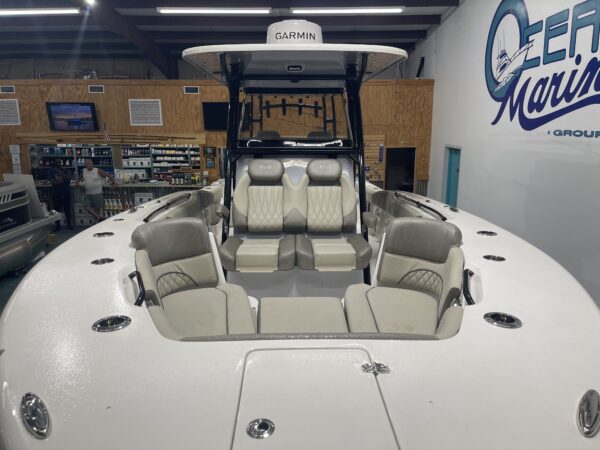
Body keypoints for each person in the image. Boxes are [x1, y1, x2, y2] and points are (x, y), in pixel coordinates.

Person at [80, 158, 116, 223]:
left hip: (97, 193)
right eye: (86, 164)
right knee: (86, 207)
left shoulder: (97, 170)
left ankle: (96, 223)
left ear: (92, 163)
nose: (87, 165)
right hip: (87, 193)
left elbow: (108, 175)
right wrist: (77, 182)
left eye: (88, 163)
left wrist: (113, 182)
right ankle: (99, 217)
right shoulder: (84, 170)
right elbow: (81, 177)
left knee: (97, 209)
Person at [47, 159, 73, 230]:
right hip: (56, 193)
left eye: (59, 162)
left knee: (67, 209)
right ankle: (57, 225)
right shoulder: (51, 171)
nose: (58, 164)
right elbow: (53, 182)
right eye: (56, 162)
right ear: (54, 163)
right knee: (57, 210)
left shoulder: (65, 170)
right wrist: (64, 181)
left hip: (66, 192)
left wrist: (61, 173)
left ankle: (69, 224)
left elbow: (69, 179)